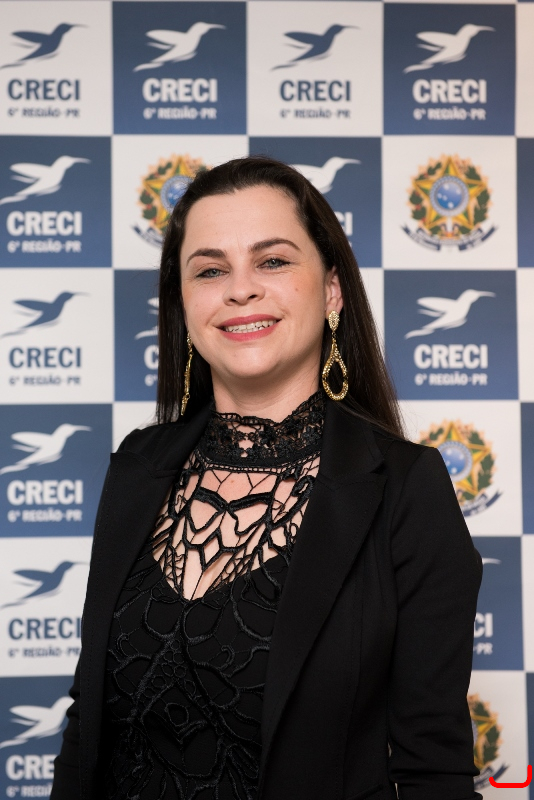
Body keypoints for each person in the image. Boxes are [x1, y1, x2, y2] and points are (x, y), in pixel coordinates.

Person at [51, 156, 483, 800]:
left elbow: (433, 773)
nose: (240, 289)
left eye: (273, 261)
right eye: (210, 270)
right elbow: (87, 728)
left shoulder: (405, 488)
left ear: (332, 291)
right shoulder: (137, 467)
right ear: (184, 305)